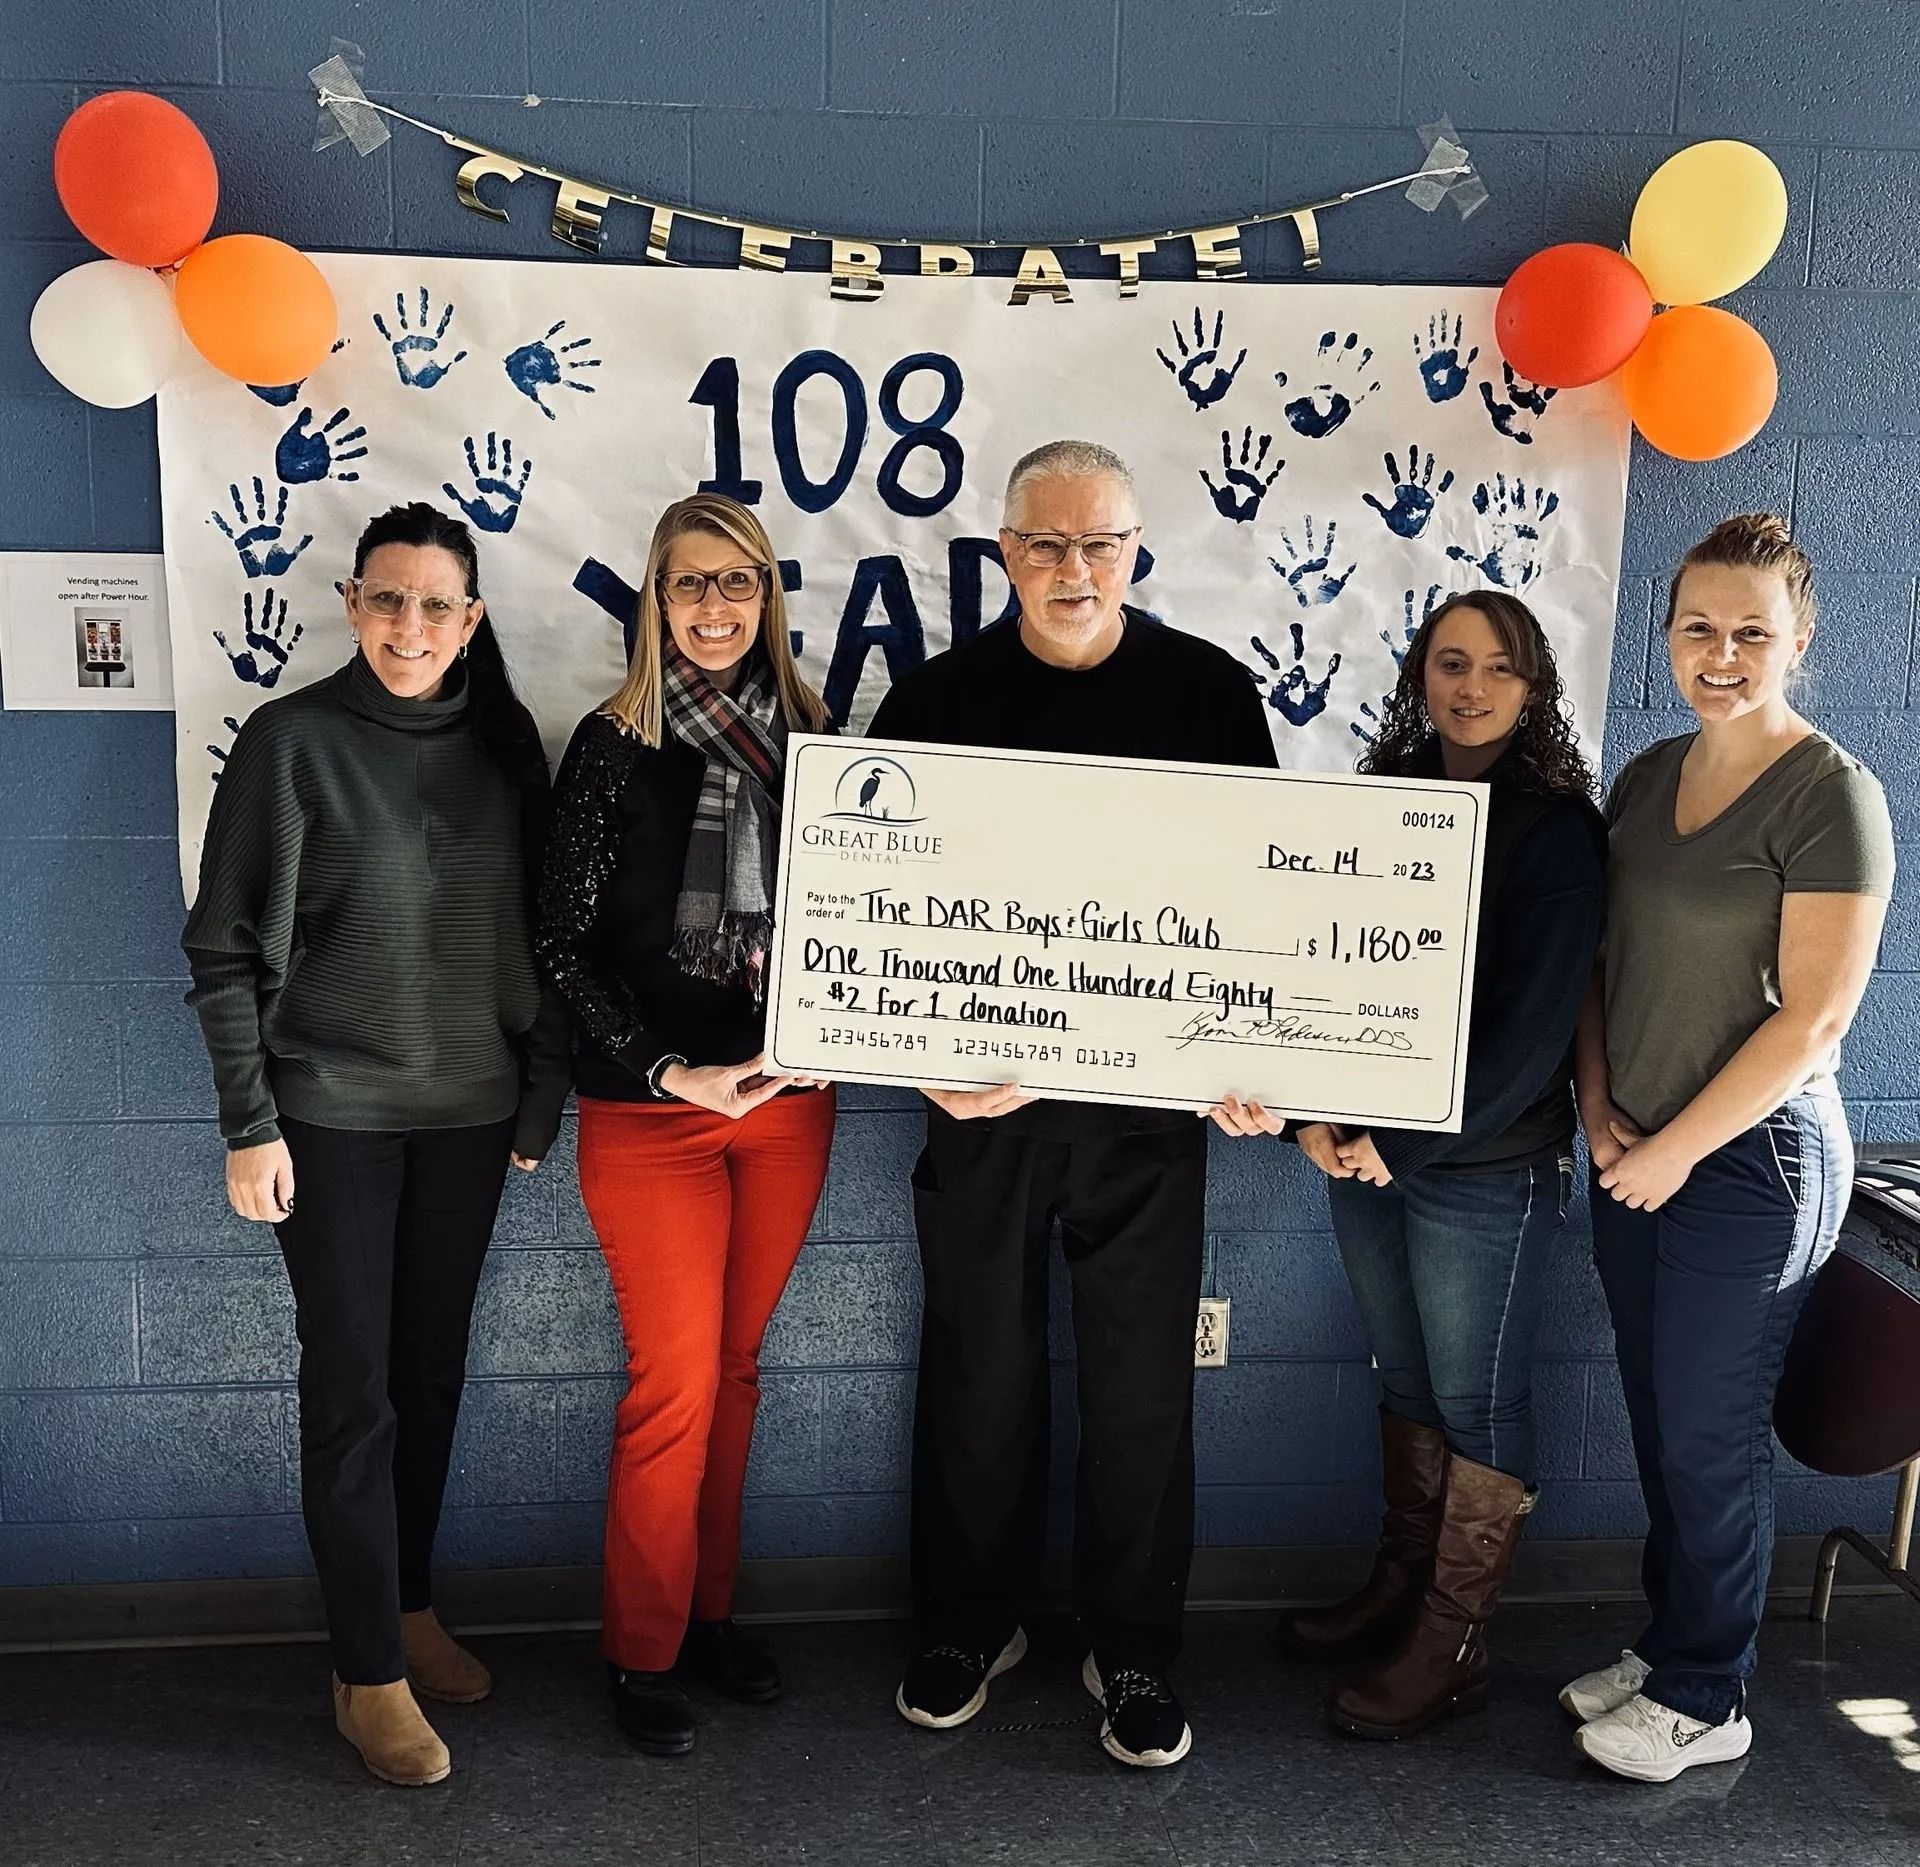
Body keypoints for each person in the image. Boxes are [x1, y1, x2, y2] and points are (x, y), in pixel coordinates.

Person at [870, 439, 1279, 1769]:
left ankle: (1134, 1645)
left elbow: (1259, 914)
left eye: (1099, 544)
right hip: (978, 1109)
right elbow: (868, 914)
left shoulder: (1214, 697)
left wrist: (1248, 1059)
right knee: (977, 1368)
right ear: (1003, 554)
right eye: (1045, 544)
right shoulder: (931, 701)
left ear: (1136, 552)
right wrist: (911, 1058)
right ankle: (967, 1622)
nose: (1073, 568)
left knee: (1143, 1386)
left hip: (1149, 1121)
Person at [182, 502, 570, 1787]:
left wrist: (533, 1103)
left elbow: (542, 946)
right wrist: (250, 1122)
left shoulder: (508, 752)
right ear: (353, 604)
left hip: (466, 1116)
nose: (412, 626)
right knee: (354, 1393)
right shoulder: (292, 743)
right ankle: (366, 1672)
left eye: (438, 605)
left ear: (471, 620)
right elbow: (223, 945)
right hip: (331, 1119)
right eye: (388, 599)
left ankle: (406, 1606)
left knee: (432, 1374)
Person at [1565, 515, 1894, 1782]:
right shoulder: (1647, 777)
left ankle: (1710, 1691)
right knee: (1658, 1418)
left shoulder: (1833, 796)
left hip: (1751, 1169)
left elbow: (1812, 1015)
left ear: (1799, 640)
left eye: (1753, 631)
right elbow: (1602, 963)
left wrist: (1674, 1154)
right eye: (1698, 626)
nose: (1722, 652)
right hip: (1633, 1146)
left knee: (1709, 1432)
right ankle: (1669, 1643)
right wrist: (1601, 1113)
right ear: (1667, 635)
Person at [535, 493, 835, 1758]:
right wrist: (668, 1069)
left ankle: (709, 1618)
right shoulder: (613, 746)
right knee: (673, 1384)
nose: (714, 607)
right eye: (688, 584)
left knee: (739, 1374)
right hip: (652, 1115)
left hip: (785, 1108)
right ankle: (641, 1648)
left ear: (767, 598)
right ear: (653, 602)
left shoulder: (820, 743)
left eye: (737, 583)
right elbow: (559, 943)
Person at [1277, 592, 1607, 1740]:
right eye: (1450, 662)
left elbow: (1530, 1040)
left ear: (1534, 687)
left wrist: (1396, 1141)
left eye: (1498, 668)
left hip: (1481, 1168)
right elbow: (1316, 969)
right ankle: (1402, 1591)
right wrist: (1305, 1121)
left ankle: (1453, 1643)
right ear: (1420, 672)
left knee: (1476, 1400)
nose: (1470, 686)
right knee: (1407, 1383)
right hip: (1362, 1154)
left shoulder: (1555, 827)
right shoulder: (1385, 803)